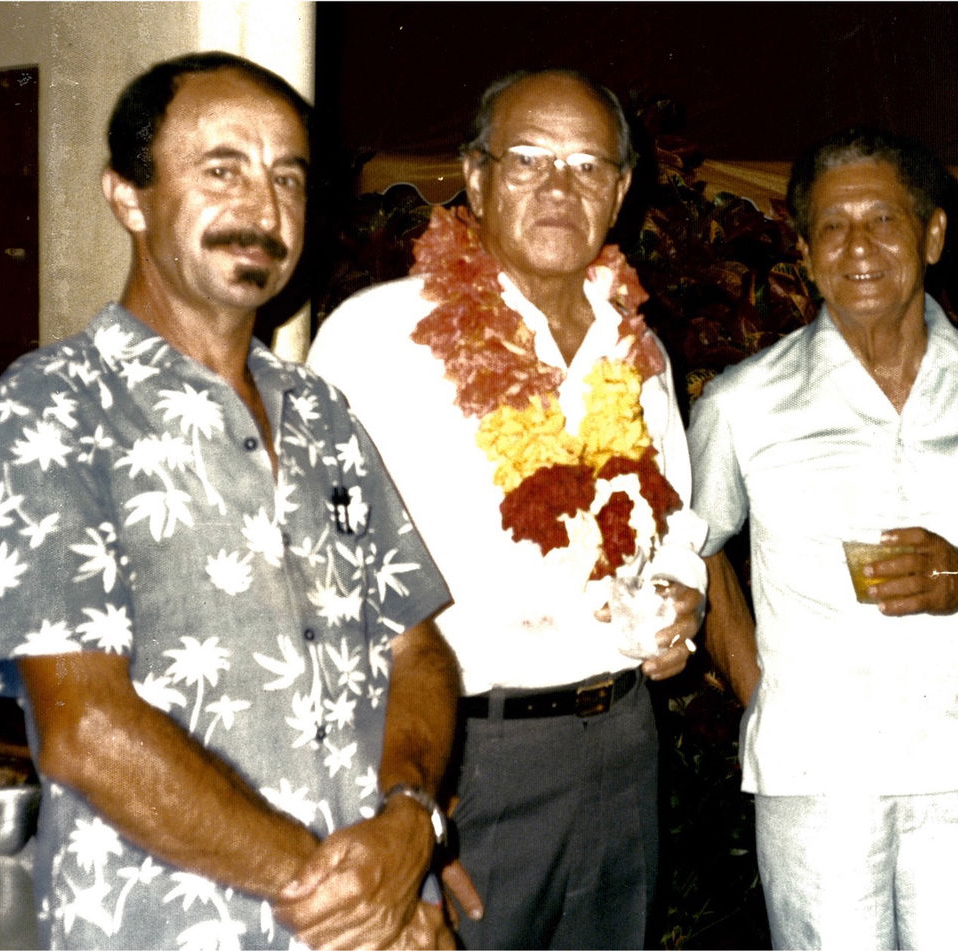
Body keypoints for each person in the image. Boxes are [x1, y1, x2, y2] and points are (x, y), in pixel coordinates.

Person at [0, 52, 459, 950]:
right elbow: (85, 730)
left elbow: (415, 647)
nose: (263, 209)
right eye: (222, 169)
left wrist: (410, 820)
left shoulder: (322, 412)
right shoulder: (47, 410)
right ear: (128, 196)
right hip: (169, 926)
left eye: (287, 177)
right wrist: (346, 898)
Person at [307, 69, 707, 949]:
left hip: (620, 744)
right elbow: (318, 591)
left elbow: (676, 528)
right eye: (528, 159)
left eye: (587, 165)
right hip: (455, 758)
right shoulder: (376, 339)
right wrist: (394, 804)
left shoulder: (637, 350)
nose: (561, 187)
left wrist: (682, 596)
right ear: (476, 177)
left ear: (622, 189)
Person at [689, 127, 958, 949]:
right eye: (832, 225)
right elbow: (694, 546)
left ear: (932, 235)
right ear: (805, 249)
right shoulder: (743, 402)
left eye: (883, 220)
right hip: (814, 782)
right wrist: (760, 688)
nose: (857, 245)